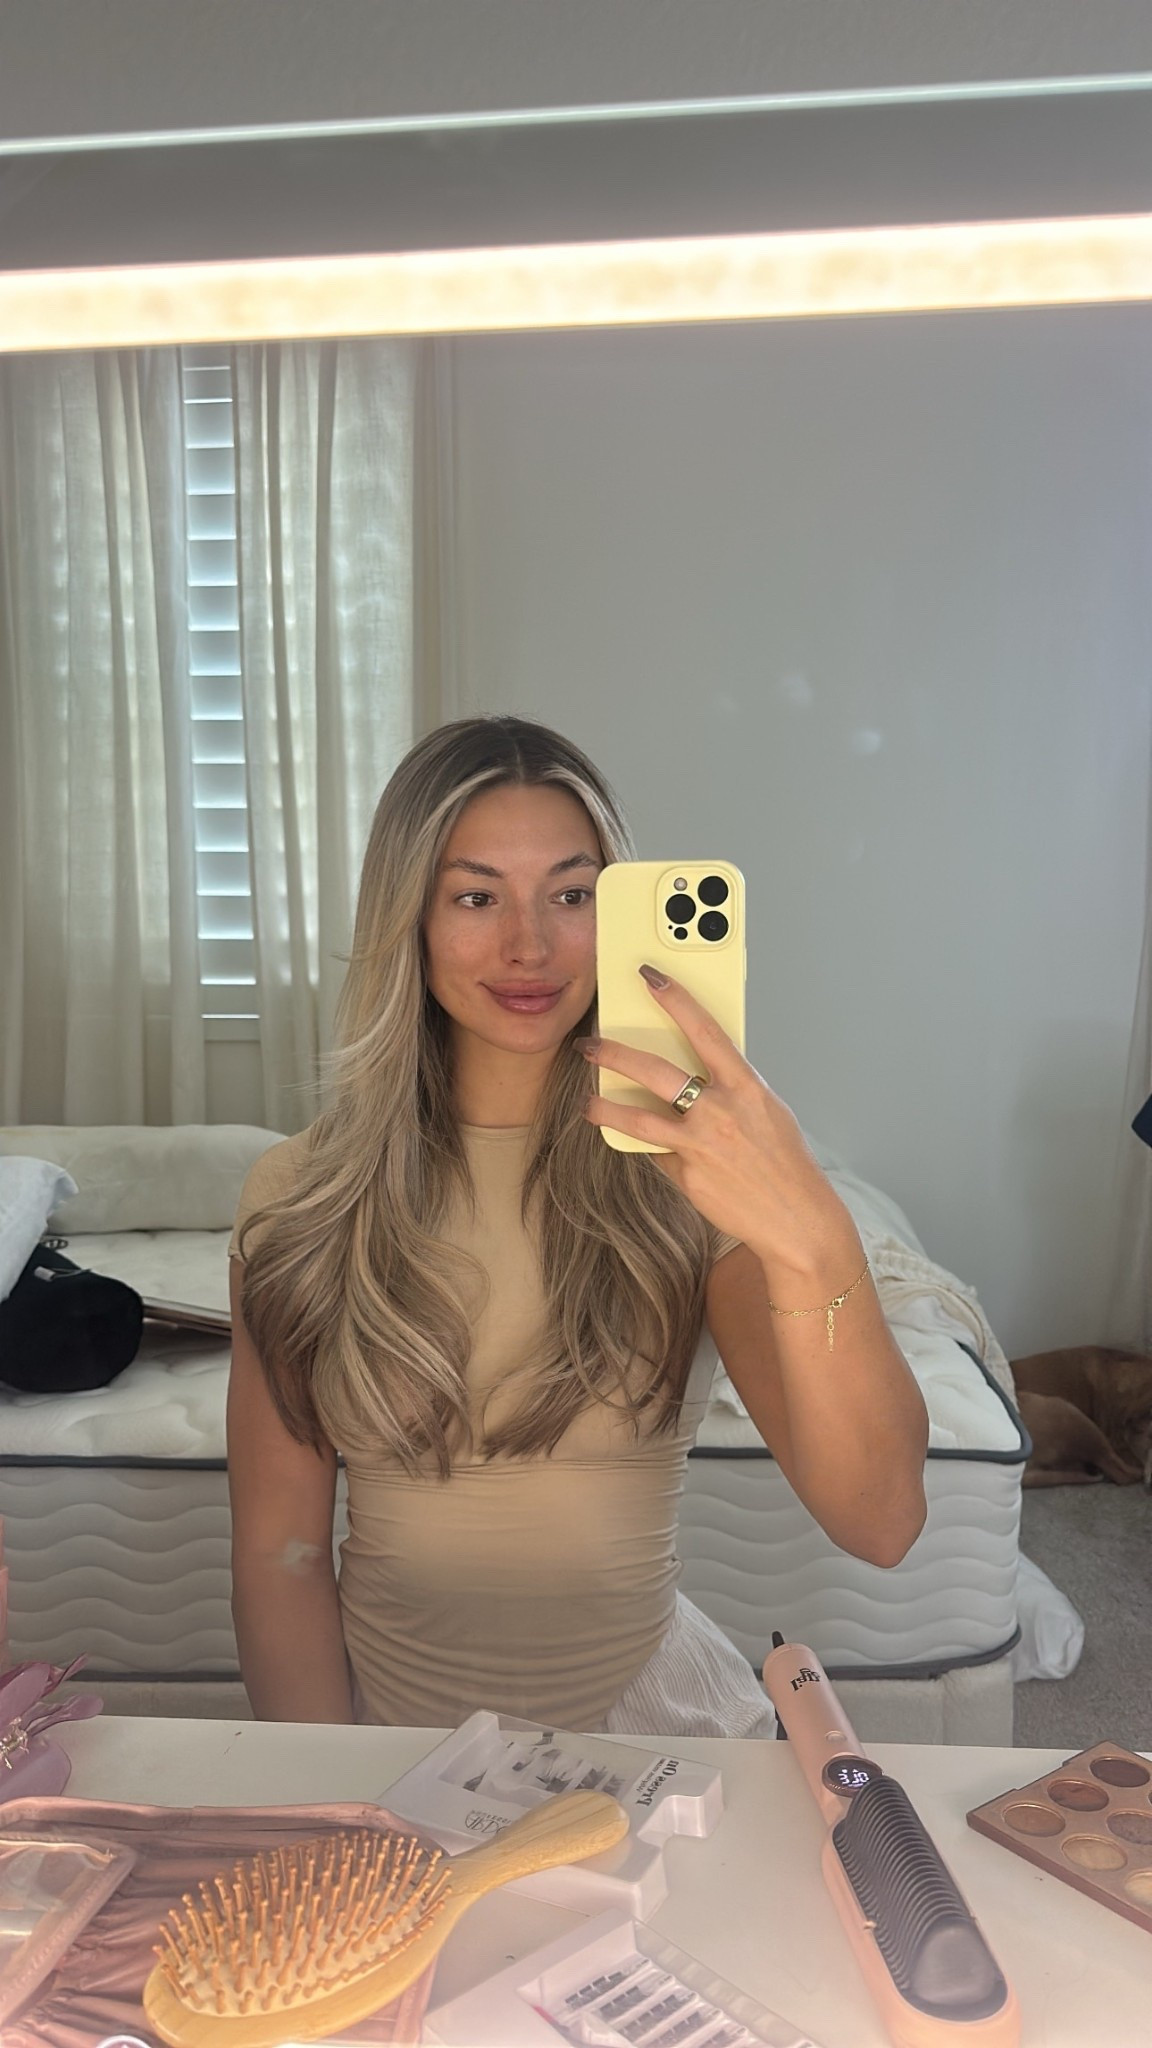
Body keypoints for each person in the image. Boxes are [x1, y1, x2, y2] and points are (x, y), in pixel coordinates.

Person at [227, 716, 928, 1733]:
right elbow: (279, 1552)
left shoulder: (687, 1186)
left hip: (650, 1726)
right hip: (384, 1735)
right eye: (477, 897)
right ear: (409, 919)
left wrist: (810, 1229)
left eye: (572, 895)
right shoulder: (297, 1195)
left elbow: (883, 1521)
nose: (530, 945)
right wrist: (331, 1785)